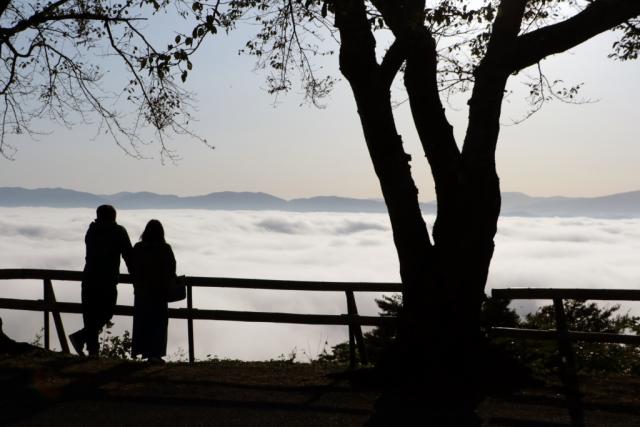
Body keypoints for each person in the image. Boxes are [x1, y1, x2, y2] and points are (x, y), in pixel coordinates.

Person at [69, 205, 132, 357]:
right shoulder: (118, 231)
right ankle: (83, 340)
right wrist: (135, 273)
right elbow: (128, 255)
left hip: (89, 278)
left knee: (90, 315)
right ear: (113, 216)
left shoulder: (92, 230)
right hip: (107, 280)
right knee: (106, 312)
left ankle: (92, 350)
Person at [130, 219, 176, 363]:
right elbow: (171, 269)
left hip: (142, 292)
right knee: (159, 324)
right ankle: (155, 354)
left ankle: (144, 351)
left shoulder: (138, 247)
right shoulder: (165, 248)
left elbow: (132, 267)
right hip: (160, 293)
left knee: (143, 322)